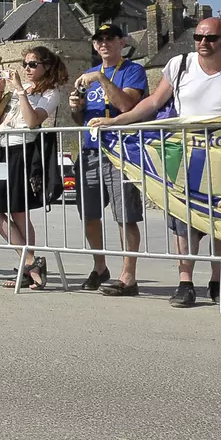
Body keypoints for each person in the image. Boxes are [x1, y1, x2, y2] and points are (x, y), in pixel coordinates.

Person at [90, 17, 221, 308]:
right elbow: (153, 102)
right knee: (182, 220)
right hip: (184, 152)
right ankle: (185, 283)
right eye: (198, 37)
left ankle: (217, 282)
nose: (203, 43)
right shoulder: (179, 64)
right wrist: (117, 121)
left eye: (210, 38)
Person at [68, 24, 148, 296]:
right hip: (90, 150)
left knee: (125, 216)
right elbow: (81, 120)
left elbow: (127, 105)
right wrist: (76, 108)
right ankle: (99, 267)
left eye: (109, 38)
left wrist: (101, 79)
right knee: (89, 214)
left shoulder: (133, 71)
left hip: (121, 152)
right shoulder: (88, 75)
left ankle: (128, 276)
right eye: (99, 40)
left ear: (121, 42)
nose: (103, 43)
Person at [0, 46, 67, 290]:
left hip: (21, 151)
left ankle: (29, 267)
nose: (27, 68)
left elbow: (32, 121)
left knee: (19, 212)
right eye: (25, 64)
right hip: (1, 150)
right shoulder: (21, 90)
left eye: (33, 64)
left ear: (46, 66)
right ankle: (31, 263)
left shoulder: (51, 93)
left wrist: (20, 90)